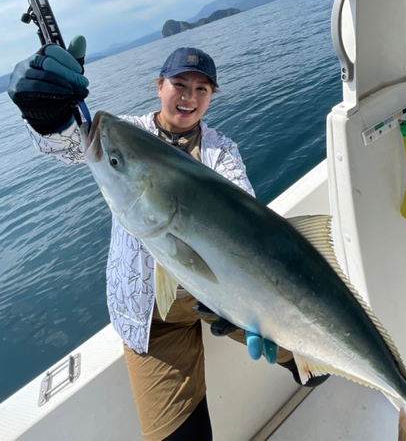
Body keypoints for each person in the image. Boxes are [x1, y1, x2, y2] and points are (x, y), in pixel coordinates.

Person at [8, 37, 328, 441]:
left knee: (317, 365)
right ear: (158, 85)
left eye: (201, 88)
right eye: (179, 84)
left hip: (221, 296)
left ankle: (309, 358)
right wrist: (43, 111)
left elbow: (247, 216)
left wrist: (245, 305)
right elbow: (72, 145)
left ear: (212, 96)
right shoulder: (127, 134)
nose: (189, 96)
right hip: (151, 318)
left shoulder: (222, 151)